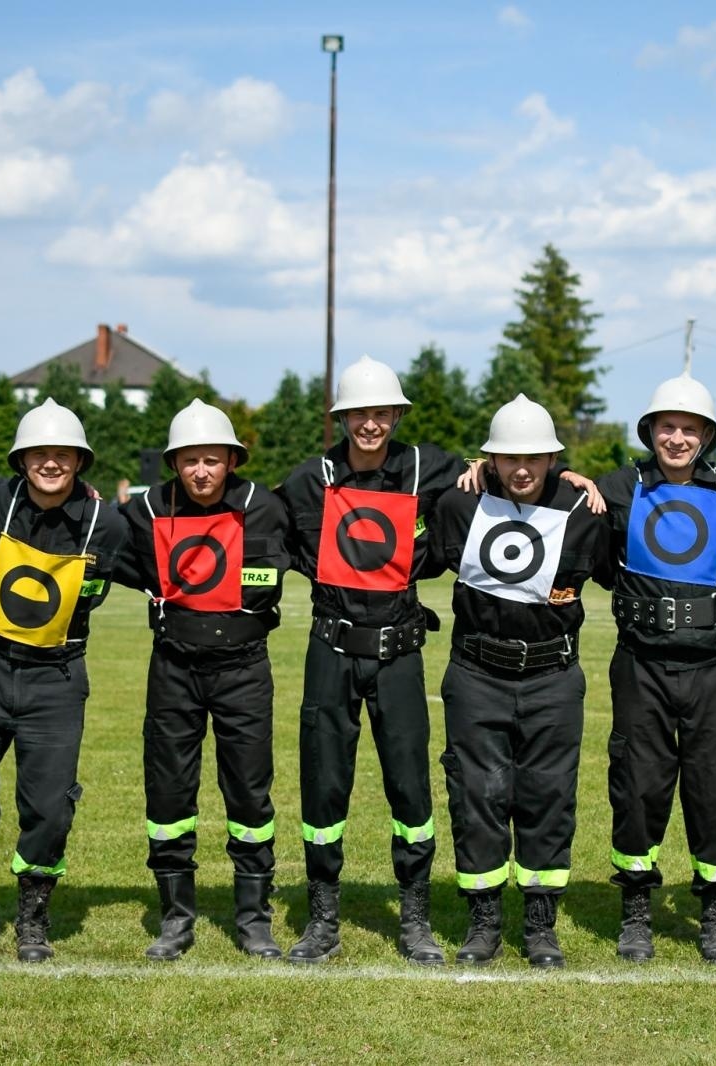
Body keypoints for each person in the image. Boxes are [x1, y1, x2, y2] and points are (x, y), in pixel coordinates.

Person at [276, 356, 474, 966]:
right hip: (329, 650)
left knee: (411, 786)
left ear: (396, 414)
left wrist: (570, 479)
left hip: (399, 651)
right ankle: (323, 916)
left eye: (381, 412)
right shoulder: (312, 477)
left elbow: (511, 473)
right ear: (343, 417)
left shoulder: (425, 466)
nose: (371, 423)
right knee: (324, 783)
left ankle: (414, 916)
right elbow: (251, 517)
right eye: (359, 412)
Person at [0, 398, 127, 964]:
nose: (51, 462)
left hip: (58, 679)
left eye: (62, 453)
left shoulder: (105, 523)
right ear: (21, 459)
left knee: (49, 803)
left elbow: (165, 550)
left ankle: (33, 915)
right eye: (39, 452)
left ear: (79, 461)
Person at [593, 371, 716, 964]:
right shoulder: (620, 485)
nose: (676, 438)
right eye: (666, 427)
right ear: (650, 431)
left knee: (712, 788)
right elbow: (546, 491)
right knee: (638, 786)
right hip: (641, 663)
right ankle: (637, 910)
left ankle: (715, 910)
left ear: (707, 434)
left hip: (713, 665)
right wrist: (562, 474)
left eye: (689, 428)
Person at [432, 395, 607, 968]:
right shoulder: (460, 504)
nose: (523, 468)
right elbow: (399, 472)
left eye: (535, 456)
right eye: (508, 458)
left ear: (554, 457)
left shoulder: (585, 506)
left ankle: (539, 924)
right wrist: (471, 470)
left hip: (553, 675)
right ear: (490, 460)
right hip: (476, 673)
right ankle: (483, 921)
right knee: (477, 795)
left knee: (548, 796)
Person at [113, 399, 291, 961]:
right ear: (174, 463)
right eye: (190, 461)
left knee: (248, 793)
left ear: (232, 460)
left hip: (244, 670)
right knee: (168, 794)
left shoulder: (266, 506)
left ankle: (254, 919)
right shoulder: (143, 511)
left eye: (213, 459)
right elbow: (89, 531)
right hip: (173, 669)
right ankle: (175, 916)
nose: (202, 472)